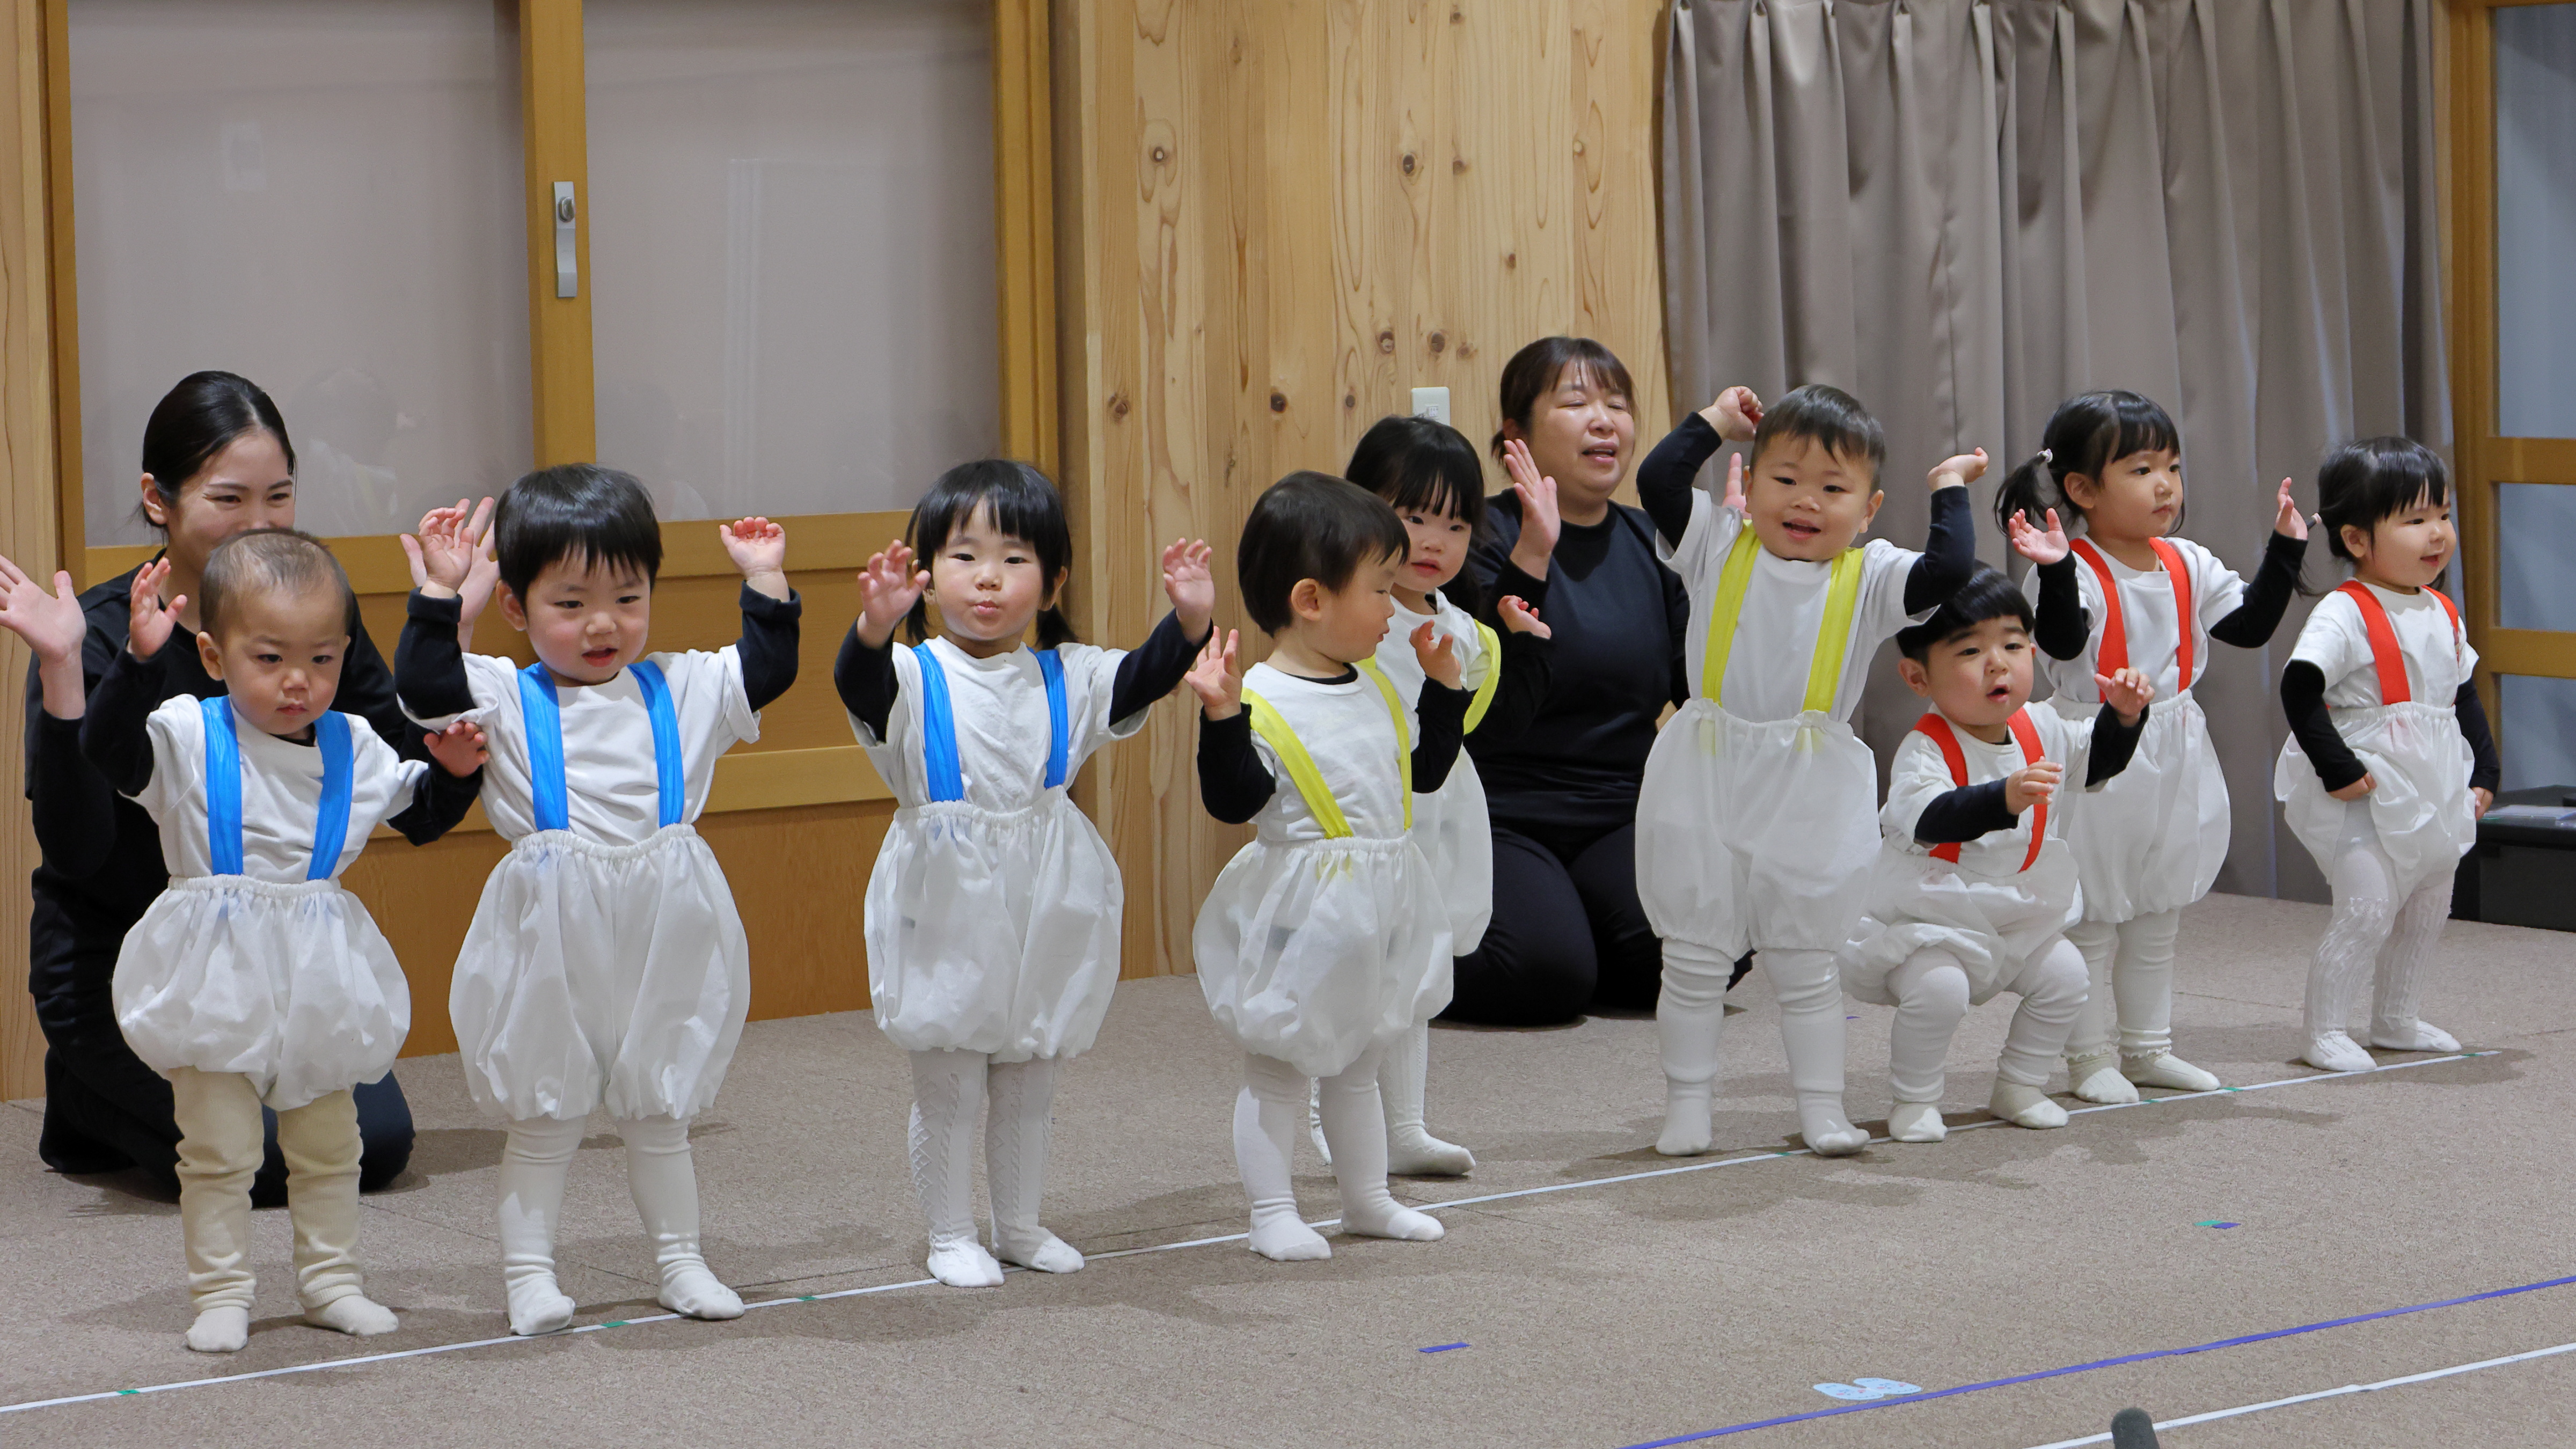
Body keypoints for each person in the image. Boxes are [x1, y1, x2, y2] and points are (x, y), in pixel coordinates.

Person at [18, 371, 457, 1203]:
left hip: (273, 963)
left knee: (377, 1146)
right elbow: (76, 854)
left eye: (280, 496)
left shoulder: (310, 619)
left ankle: (136, 1099)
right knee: (258, 1161)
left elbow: (414, 784)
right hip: (133, 967)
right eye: (229, 498)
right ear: (159, 499)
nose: (259, 524)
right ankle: (89, 1087)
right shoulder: (105, 634)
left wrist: (446, 623)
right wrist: (63, 668)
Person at [395, 468, 799, 1335]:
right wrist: (437, 590)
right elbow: (426, 685)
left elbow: (767, 668)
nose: (604, 622)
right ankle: (529, 1276)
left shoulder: (682, 689)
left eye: (627, 595)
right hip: (552, 930)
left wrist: (764, 576)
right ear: (516, 608)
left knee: (659, 1109)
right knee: (546, 1113)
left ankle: (681, 1265)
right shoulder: (504, 694)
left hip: (665, 924)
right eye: (572, 603)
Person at [64, 530, 485, 1351]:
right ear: (215, 657)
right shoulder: (187, 733)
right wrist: (139, 663)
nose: (301, 682)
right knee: (219, 1148)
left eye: (324, 660)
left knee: (333, 1143)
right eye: (271, 659)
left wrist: (459, 775)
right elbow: (106, 750)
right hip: (214, 975)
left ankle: (332, 1283)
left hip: (318, 974)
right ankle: (221, 1293)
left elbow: (423, 816)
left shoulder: (352, 746)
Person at [836, 460, 1212, 1287]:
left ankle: (1020, 1225)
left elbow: (1142, 675)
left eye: (1014, 558)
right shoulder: (911, 672)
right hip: (945, 895)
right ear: (928, 575)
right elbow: (856, 684)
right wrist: (872, 630)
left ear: (1052, 582)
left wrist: (1188, 623)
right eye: (966, 557)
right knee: (951, 1074)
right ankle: (948, 1233)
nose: (989, 578)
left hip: (1045, 887)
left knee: (1031, 1070)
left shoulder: (1066, 674)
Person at [1633, 384, 1979, 1158]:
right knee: (1692, 956)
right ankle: (1688, 1108)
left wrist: (1949, 486)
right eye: (1784, 479)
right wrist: (1715, 425)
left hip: (1810, 790)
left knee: (1805, 962)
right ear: (1748, 486)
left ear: (1869, 508)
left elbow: (1951, 567)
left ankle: (1822, 1109)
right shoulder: (1718, 543)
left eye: (1833, 489)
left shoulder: (1871, 577)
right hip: (1709, 774)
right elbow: (1657, 479)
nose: (1805, 502)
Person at [1999, 391, 2310, 1104]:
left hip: (2172, 742)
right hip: (2094, 745)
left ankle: (2147, 1049)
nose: (2166, 484)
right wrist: (2050, 569)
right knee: (2094, 912)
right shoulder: (2066, 564)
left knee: (2156, 907)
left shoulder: (2187, 561)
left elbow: (2250, 627)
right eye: (2141, 469)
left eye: (2172, 466)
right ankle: (2087, 1059)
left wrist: (2287, 546)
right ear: (2081, 489)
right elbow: (2061, 642)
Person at [1188, 472, 1466, 1262]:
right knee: (1282, 1068)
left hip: (1377, 905)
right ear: (1312, 600)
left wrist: (1444, 695)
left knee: (1361, 1061)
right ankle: (1272, 1211)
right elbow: (1232, 798)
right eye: (1380, 590)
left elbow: (1423, 773)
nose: (1393, 607)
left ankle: (1366, 1199)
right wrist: (1220, 718)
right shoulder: (1264, 698)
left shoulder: (1375, 683)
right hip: (1301, 912)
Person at [1309, 416, 1553, 1176]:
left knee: (1414, 973)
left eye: (1455, 523)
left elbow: (1505, 721)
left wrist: (1527, 594)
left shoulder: (1462, 623)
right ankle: (1326, 1114)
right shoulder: (1345, 612)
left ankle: (1405, 1126)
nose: (1434, 540)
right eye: (1412, 516)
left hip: (1437, 812)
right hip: (1363, 816)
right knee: (1355, 970)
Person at [1841, 569, 2151, 1143]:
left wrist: (2125, 717)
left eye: (2012, 645)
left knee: (2065, 978)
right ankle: (1914, 1099)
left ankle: (2020, 1084)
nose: (1997, 663)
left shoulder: (2040, 726)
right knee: (1939, 990)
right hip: (1932, 916)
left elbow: (2096, 764)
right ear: (1917, 676)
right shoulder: (1927, 747)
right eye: (1970, 650)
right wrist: (2001, 798)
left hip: (2015, 911)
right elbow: (1930, 816)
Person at [1450, 337, 1688, 1025]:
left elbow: (1699, 686)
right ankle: (1401, 954)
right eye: (1577, 403)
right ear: (1515, 434)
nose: (1605, 420)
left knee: (1708, 950)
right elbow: (1480, 679)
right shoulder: (1481, 533)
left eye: (1618, 404)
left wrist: (1742, 574)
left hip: (1619, 808)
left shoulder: (1653, 544)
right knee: (1543, 977)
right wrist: (1534, 553)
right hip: (1502, 810)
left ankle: (1574, 923)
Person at [2274, 439, 2498, 1073]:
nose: (2437, 534)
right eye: (2415, 519)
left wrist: (2485, 769)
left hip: (2432, 780)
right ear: (2357, 537)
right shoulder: (2345, 612)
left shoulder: (2442, 610)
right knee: (2369, 909)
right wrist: (2338, 769)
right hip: (2368, 785)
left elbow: (2462, 695)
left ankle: (2396, 1016)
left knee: (2428, 901)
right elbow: (2299, 688)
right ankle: (2323, 1031)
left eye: (2443, 515)